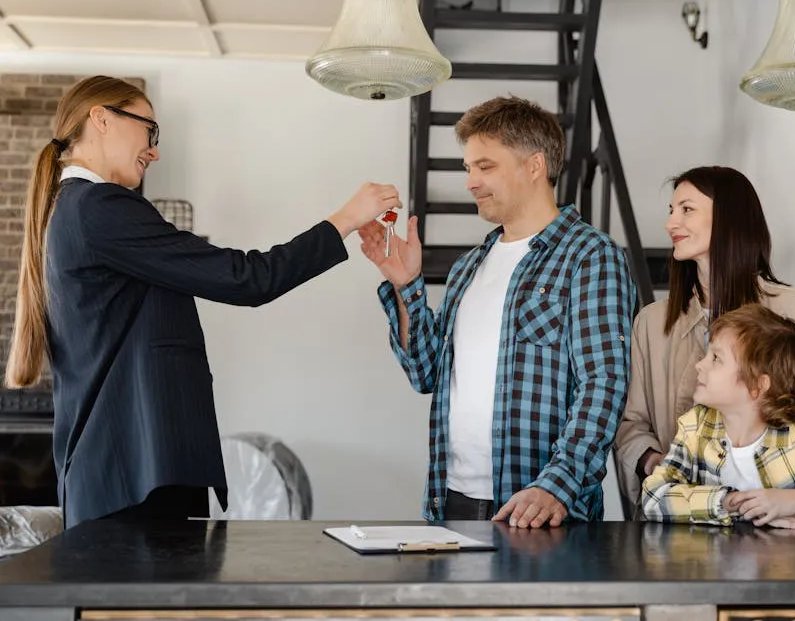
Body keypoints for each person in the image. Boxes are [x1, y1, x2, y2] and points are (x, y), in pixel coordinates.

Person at [4, 75, 401, 528]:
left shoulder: (74, 208)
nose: (154, 151)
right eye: (149, 130)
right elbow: (248, 278)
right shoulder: (100, 207)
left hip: (122, 479)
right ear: (101, 119)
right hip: (133, 482)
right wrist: (345, 218)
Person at [359, 96, 636, 527]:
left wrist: (556, 485)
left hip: (542, 509)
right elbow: (424, 372)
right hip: (450, 499)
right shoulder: (468, 266)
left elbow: (604, 383)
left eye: (485, 167)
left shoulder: (590, 256)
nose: (471, 181)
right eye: (468, 168)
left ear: (534, 166)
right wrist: (405, 285)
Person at [613, 165, 795, 522]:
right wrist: (660, 465)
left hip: (789, 535)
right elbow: (632, 425)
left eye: (687, 209)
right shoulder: (650, 323)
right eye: (671, 211)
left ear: (729, 219)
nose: (671, 223)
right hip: (685, 532)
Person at [642, 304, 795, 529]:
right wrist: (735, 503)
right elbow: (654, 496)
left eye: (716, 358)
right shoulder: (695, 429)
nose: (700, 364)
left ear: (758, 386)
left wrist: (794, 501)